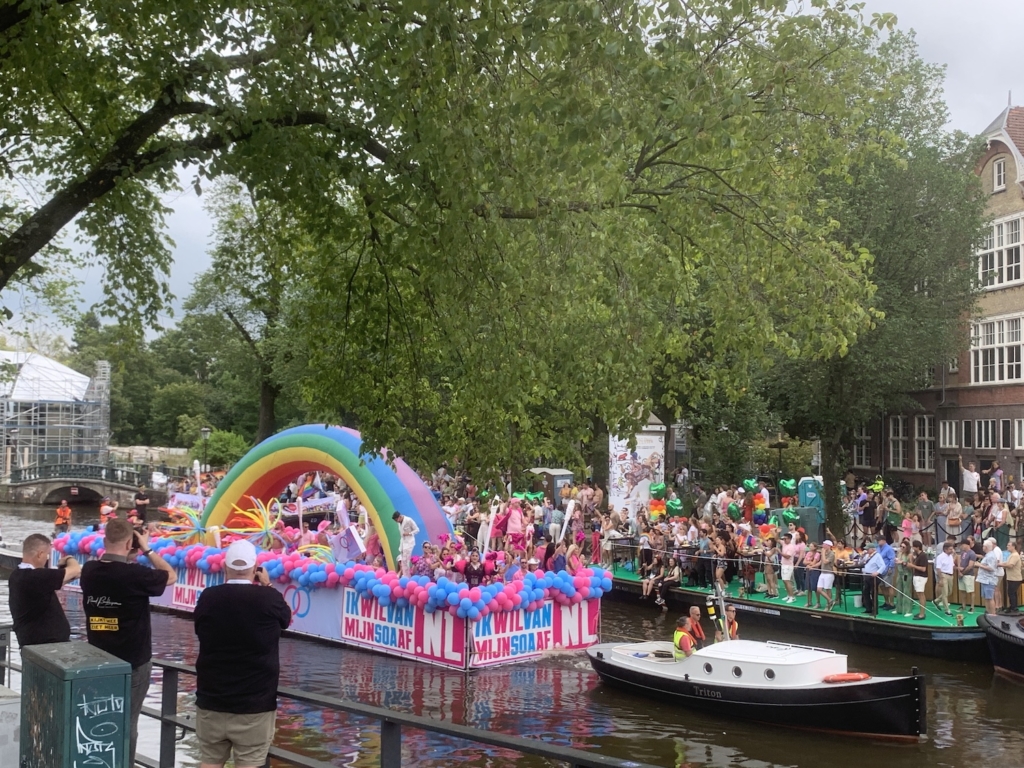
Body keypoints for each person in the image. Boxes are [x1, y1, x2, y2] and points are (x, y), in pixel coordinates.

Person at [81, 518, 177, 765]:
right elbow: (170, 576)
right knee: (127, 723)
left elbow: (113, 569)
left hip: (98, 660)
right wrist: (147, 548)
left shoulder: (89, 571)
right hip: (133, 662)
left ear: (105, 541)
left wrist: (128, 552)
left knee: (99, 719)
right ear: (129, 544)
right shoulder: (136, 575)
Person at [193, 540, 291, 768]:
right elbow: (285, 618)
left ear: (224, 568)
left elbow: (199, 628)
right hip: (254, 705)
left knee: (209, 762)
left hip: (211, 700)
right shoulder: (269, 598)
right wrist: (267, 585)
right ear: (255, 568)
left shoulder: (208, 597)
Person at [9, 533, 81, 647]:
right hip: (45, 646)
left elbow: (63, 579)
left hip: (32, 642)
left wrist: (66, 575)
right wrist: (69, 558)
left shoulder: (17, 575)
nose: (47, 559)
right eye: (47, 555)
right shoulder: (36, 576)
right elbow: (76, 570)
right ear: (40, 554)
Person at [976, 537, 1004, 615]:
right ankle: (988, 613)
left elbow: (991, 568)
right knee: (987, 598)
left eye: (983, 546)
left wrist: (979, 565)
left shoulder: (991, 556)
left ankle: (993, 614)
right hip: (984, 579)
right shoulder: (987, 555)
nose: (982, 547)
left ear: (986, 547)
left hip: (989, 580)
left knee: (990, 598)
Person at [392, 511, 420, 577]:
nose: (396, 521)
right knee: (403, 560)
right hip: (403, 542)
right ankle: (405, 574)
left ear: (399, 517)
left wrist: (409, 533)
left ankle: (408, 576)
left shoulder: (408, 520)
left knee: (406, 559)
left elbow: (417, 530)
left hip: (409, 542)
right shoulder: (399, 523)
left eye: (396, 520)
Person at [861, 541, 886, 615]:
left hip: (874, 577)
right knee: (865, 592)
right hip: (867, 575)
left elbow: (883, 566)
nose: (867, 550)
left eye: (868, 549)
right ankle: (868, 608)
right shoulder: (867, 555)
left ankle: (875, 610)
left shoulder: (877, 556)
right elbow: (862, 562)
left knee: (874, 593)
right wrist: (862, 556)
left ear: (872, 549)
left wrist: (877, 572)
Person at [933, 541, 955, 616]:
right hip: (943, 575)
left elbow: (952, 565)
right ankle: (947, 610)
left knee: (949, 592)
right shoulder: (940, 557)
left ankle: (936, 601)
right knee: (945, 593)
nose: (952, 550)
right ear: (945, 549)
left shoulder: (951, 556)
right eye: (950, 549)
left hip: (950, 575)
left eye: (952, 549)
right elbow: (938, 568)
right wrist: (941, 579)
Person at [957, 539, 978, 613]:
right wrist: (959, 570)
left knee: (971, 591)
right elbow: (959, 562)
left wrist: (962, 573)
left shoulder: (972, 553)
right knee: (962, 590)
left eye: (962, 545)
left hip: (969, 575)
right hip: (961, 574)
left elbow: (970, 566)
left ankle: (972, 607)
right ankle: (963, 606)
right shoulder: (963, 553)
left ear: (966, 545)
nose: (961, 546)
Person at [909, 541, 929, 621]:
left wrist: (912, 565)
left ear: (917, 547)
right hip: (917, 576)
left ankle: (922, 614)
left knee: (921, 595)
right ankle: (921, 612)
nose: (912, 548)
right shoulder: (918, 555)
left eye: (913, 547)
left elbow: (923, 569)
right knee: (919, 595)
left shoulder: (923, 556)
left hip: (921, 577)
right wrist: (911, 560)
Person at [1000, 541, 1021, 613]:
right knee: (1012, 593)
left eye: (1009, 545)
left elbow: (1010, 565)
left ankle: (1013, 607)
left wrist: (1000, 565)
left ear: (1013, 547)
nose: (1007, 546)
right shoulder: (1012, 555)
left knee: (1011, 593)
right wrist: (1002, 564)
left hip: (1015, 578)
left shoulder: (1015, 555)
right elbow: (1007, 563)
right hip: (1012, 577)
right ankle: (1013, 606)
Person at [816, 540, 836, 611]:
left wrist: (823, 553)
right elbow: (820, 562)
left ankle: (828, 605)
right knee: (819, 589)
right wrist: (812, 566)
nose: (823, 546)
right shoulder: (824, 553)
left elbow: (825, 561)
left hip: (829, 573)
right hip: (822, 573)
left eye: (824, 545)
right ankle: (830, 600)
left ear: (828, 546)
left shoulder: (832, 554)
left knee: (828, 589)